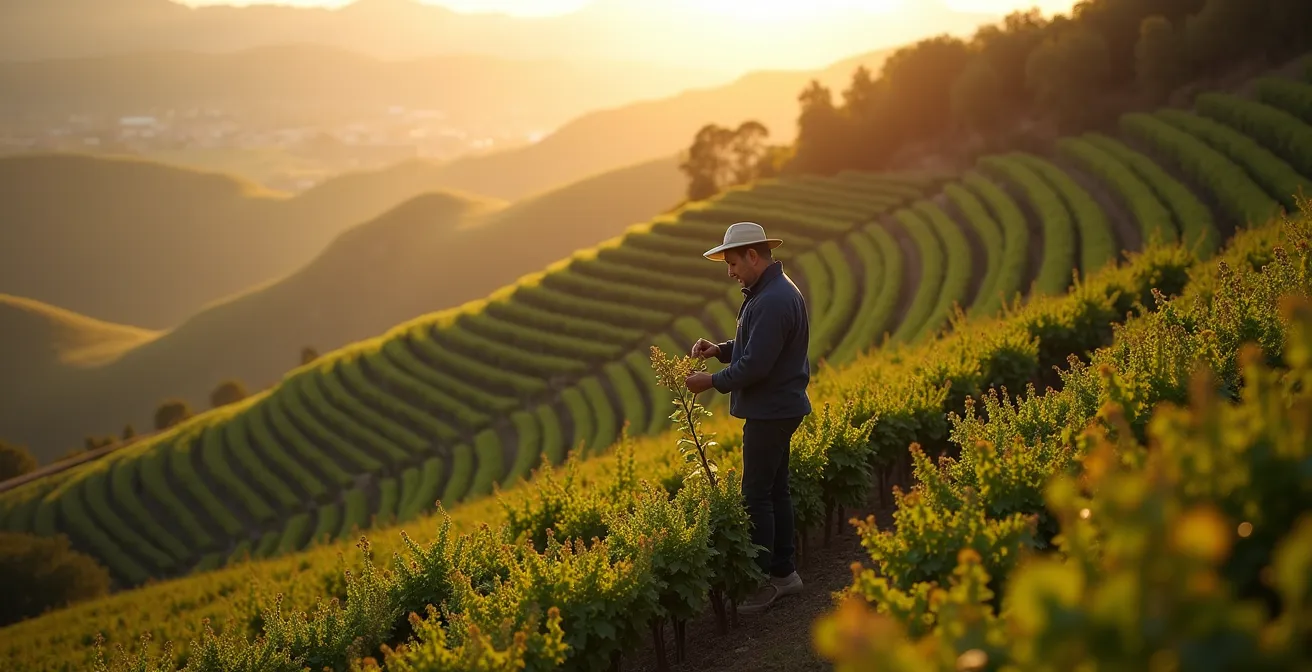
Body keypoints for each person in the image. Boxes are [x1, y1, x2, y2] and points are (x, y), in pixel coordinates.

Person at [685, 221, 812, 614]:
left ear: (753, 256)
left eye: (733, 262)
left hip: (771, 410)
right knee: (776, 491)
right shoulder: (769, 292)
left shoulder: (773, 299)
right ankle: (785, 574)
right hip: (779, 407)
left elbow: (757, 365)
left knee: (756, 496)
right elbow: (753, 346)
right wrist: (720, 349)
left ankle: (766, 581)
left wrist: (710, 381)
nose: (730, 271)